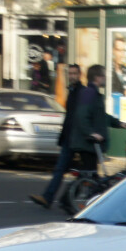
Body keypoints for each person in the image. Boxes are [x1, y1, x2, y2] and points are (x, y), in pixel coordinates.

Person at [31, 64, 84, 209]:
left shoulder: (80, 92)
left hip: (76, 138)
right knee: (63, 169)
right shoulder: (72, 91)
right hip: (69, 137)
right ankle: (53, 198)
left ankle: (61, 199)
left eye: (74, 73)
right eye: (70, 74)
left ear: (80, 75)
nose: (72, 76)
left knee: (81, 172)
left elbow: (78, 117)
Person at [69, 64, 122, 175]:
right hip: (88, 144)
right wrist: (91, 133)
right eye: (103, 76)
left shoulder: (94, 94)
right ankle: (71, 192)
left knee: (89, 175)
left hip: (92, 144)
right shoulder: (89, 93)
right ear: (97, 77)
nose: (105, 79)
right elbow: (81, 115)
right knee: (89, 176)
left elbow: (101, 115)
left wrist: (118, 123)